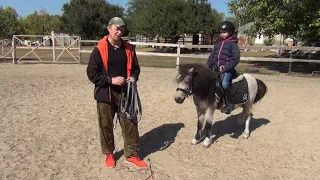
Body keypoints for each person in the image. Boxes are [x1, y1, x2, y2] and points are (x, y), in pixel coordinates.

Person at [86, 17, 147, 168]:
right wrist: (110, 80)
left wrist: (133, 77)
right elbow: (91, 72)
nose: (119, 31)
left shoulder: (129, 49)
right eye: (116, 28)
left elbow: (136, 69)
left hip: (126, 93)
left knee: (130, 123)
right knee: (105, 124)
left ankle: (131, 154)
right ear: (109, 28)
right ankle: (109, 153)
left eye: (121, 29)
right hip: (105, 93)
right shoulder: (99, 49)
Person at [206, 21, 240, 114]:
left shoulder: (233, 44)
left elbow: (235, 59)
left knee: (225, 84)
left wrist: (225, 67)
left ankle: (229, 104)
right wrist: (207, 66)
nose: (222, 34)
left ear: (230, 32)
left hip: (227, 69)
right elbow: (212, 56)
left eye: (224, 32)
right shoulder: (218, 42)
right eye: (221, 32)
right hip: (215, 68)